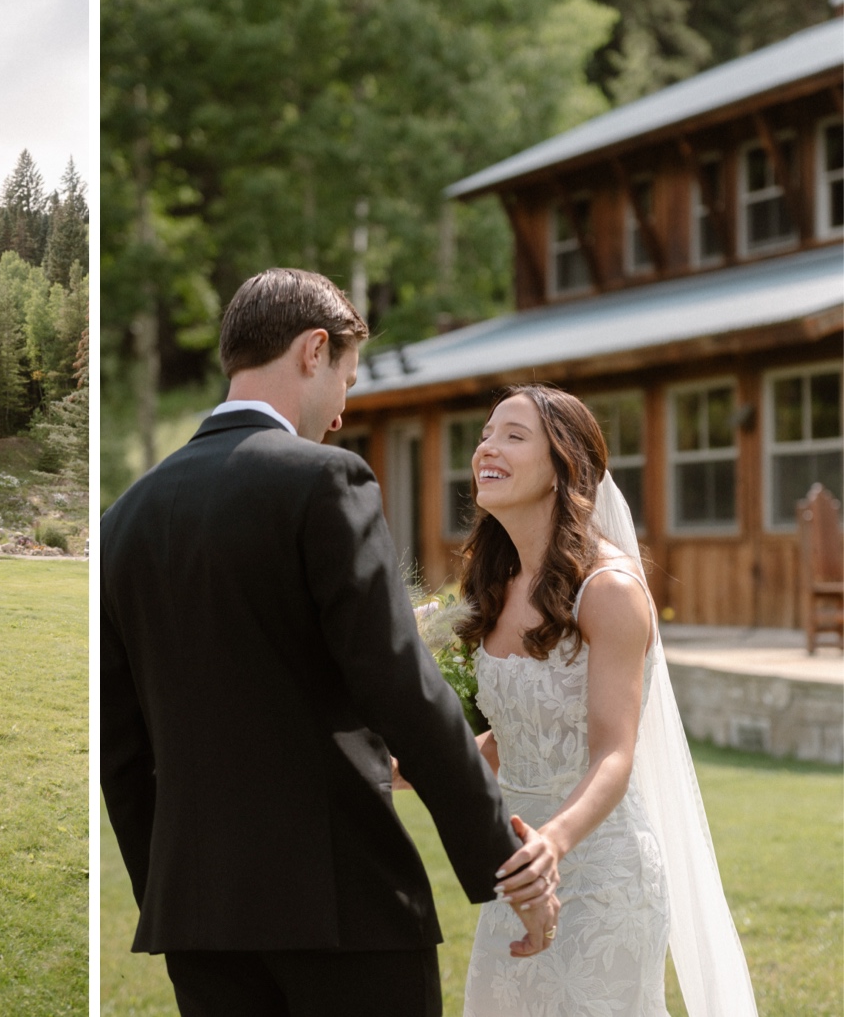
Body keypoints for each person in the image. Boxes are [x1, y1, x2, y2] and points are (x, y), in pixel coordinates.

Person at [101, 268, 559, 1017]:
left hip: (198, 924)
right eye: (346, 378)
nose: (343, 413)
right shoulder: (323, 481)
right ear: (314, 350)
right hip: (342, 906)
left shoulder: (125, 519)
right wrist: (507, 864)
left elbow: (121, 751)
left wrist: (171, 894)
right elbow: (402, 688)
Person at [457, 384, 757, 1014]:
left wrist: (551, 846)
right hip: (518, 876)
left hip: (601, 878)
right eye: (486, 432)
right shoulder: (497, 583)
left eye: (514, 435)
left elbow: (614, 755)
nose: (488, 445)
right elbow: (520, 734)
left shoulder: (610, 589)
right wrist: (407, 767)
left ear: (564, 466)